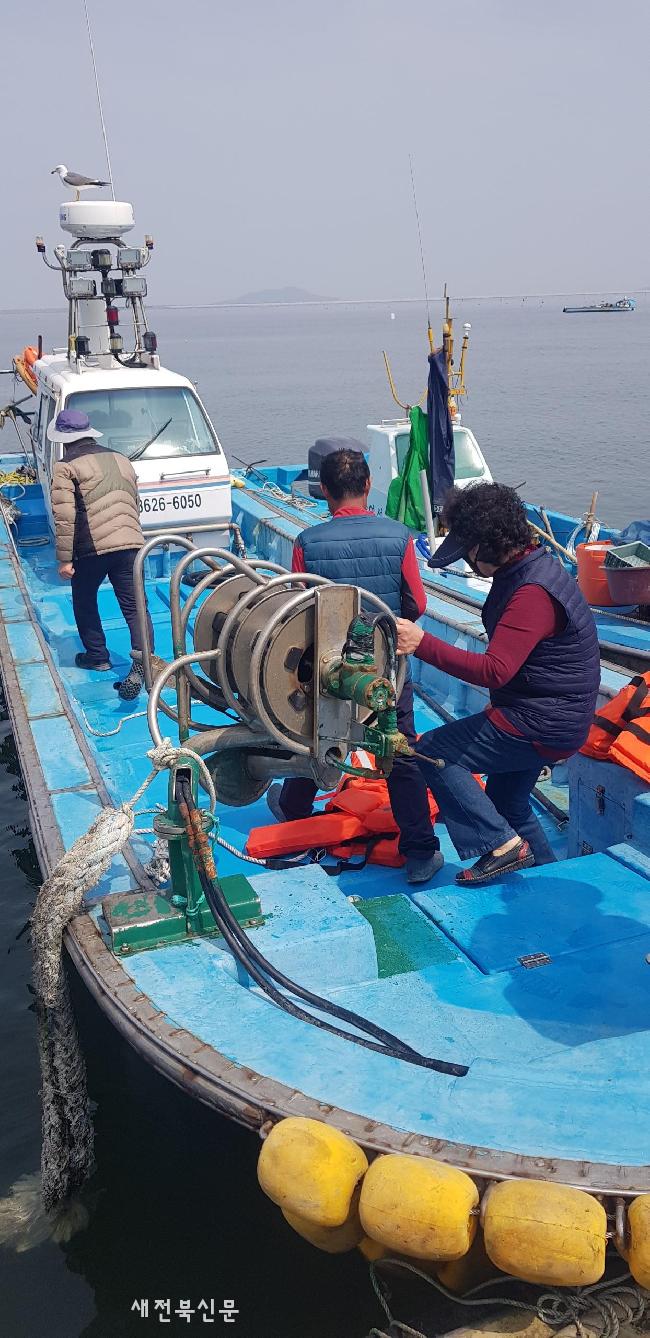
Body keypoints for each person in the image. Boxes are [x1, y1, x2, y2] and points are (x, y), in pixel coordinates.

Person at [396, 481, 600, 885]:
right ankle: (544, 883)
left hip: (545, 722)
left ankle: (500, 846)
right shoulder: (530, 566)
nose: (468, 564)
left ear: (490, 544)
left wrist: (422, 643)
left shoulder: (532, 592)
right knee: (508, 804)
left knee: (433, 752)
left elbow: (495, 669)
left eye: (469, 553)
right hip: (552, 712)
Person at [267, 442, 442, 884]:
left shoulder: (308, 541)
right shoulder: (399, 535)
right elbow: (415, 604)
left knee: (315, 736)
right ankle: (420, 850)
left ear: (323, 490)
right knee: (399, 748)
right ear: (368, 485)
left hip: (327, 669)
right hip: (385, 670)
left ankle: (294, 816)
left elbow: (298, 609)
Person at [50, 408, 152, 698]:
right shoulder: (121, 459)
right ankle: (145, 662)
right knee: (135, 606)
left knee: (84, 600)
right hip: (131, 543)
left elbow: (65, 517)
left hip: (91, 548)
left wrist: (65, 559)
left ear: (63, 439)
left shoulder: (65, 467)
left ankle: (97, 656)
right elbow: (135, 502)